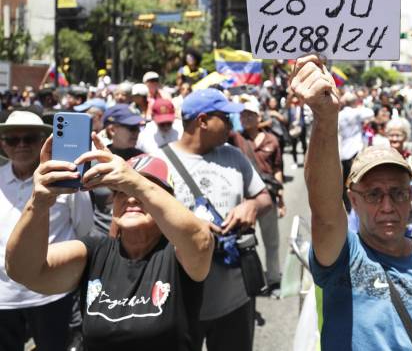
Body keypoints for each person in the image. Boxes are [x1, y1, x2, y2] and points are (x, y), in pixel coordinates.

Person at [290, 55, 412, 350]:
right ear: (353, 200)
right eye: (373, 194)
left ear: (411, 198)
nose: (387, 207)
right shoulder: (344, 258)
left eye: (397, 193)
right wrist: (325, 117)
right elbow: (325, 209)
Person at [5, 136, 213, 351]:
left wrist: (134, 182)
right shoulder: (95, 252)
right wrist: (38, 203)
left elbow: (201, 241)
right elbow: (24, 271)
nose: (131, 197)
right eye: (120, 192)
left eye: (145, 189)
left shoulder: (178, 255)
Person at [153, 88, 273, 351]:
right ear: (203, 120)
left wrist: (251, 205)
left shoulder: (234, 155)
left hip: (234, 299)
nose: (233, 125)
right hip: (179, 302)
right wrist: (188, 229)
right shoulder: (159, 162)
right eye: (226, 118)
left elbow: (265, 198)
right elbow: (142, 221)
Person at [0, 110, 93, 351]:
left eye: (29, 138)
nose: (21, 145)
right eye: (12, 139)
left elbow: (84, 229)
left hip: (51, 293)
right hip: (4, 296)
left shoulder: (66, 178)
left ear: (43, 142)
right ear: (3, 144)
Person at [231, 99, 284, 294]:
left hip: (268, 197)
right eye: (243, 115)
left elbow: (278, 170)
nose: (246, 118)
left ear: (259, 116)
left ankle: (274, 280)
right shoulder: (235, 138)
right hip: (246, 200)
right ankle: (251, 281)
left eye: (250, 114)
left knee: (272, 242)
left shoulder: (272, 140)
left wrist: (281, 199)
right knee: (246, 243)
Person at [338, 92, 374, 211]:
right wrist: (359, 107)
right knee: (358, 178)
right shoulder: (357, 112)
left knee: (346, 179)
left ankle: (347, 204)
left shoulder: (340, 115)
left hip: (344, 150)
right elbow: (371, 112)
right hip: (356, 150)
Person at [286, 94, 308, 168]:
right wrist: (291, 95)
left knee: (304, 145)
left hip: (301, 128)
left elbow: (303, 100)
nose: (295, 101)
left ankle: (305, 161)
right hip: (293, 129)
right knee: (294, 146)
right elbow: (287, 102)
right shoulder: (290, 108)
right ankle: (295, 162)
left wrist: (298, 95)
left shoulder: (300, 107)